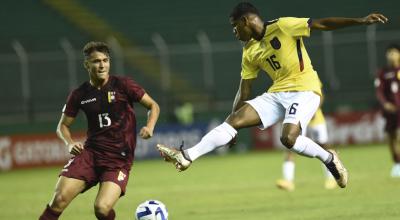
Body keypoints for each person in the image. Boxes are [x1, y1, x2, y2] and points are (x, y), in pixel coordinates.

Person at [157, 2, 387, 189]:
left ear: (245, 21)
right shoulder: (249, 51)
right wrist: (232, 123)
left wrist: (360, 21)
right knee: (233, 120)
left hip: (305, 89)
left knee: (288, 139)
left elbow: (321, 24)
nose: (234, 31)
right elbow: (244, 89)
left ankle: (329, 159)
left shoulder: (284, 26)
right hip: (277, 93)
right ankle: (187, 156)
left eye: (234, 26)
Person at [38, 41, 160, 220]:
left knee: (102, 209)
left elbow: (153, 105)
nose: (102, 65)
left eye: (105, 60)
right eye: (96, 61)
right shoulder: (79, 94)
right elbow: (62, 126)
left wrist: (150, 126)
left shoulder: (123, 85)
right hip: (91, 155)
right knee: (59, 199)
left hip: (118, 160)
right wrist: (69, 143)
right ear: (86, 64)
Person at [276, 108, 337, 191]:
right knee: (291, 146)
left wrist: (314, 109)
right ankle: (288, 181)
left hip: (315, 118)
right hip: (299, 119)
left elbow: (321, 96)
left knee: (324, 147)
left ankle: (332, 178)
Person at [375, 44, 400, 178]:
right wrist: (385, 104)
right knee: (390, 137)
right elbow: (379, 91)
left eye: (394, 52)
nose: (391, 55)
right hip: (390, 110)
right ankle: (396, 164)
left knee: (398, 134)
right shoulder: (383, 72)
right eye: (389, 52)